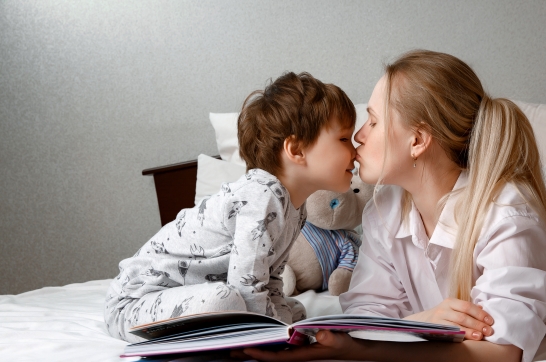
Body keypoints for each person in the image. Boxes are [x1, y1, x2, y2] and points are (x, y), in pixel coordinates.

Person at [241, 50, 546, 362]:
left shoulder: (508, 212)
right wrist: (416, 322)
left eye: (375, 122)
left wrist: (355, 350)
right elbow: (367, 311)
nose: (359, 136)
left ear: (418, 140)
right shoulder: (386, 208)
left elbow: (501, 352)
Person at [104, 72, 357, 343]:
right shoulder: (261, 196)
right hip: (133, 303)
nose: (355, 151)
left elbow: (269, 279)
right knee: (228, 301)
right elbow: (246, 285)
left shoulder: (296, 207)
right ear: (296, 150)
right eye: (344, 139)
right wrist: (281, 341)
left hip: (187, 295)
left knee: (294, 311)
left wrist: (286, 325)